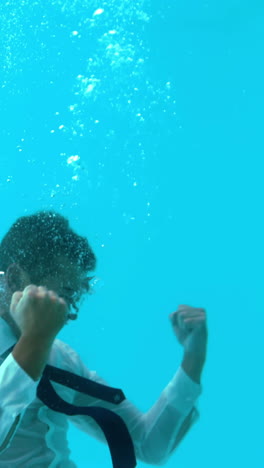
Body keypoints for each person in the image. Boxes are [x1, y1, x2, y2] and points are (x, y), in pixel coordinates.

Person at [0, 210, 207, 467]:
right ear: (16, 279)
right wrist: (35, 340)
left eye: (75, 297)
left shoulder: (60, 359)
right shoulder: (45, 347)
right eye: (65, 293)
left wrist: (193, 356)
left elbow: (148, 445)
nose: (70, 314)